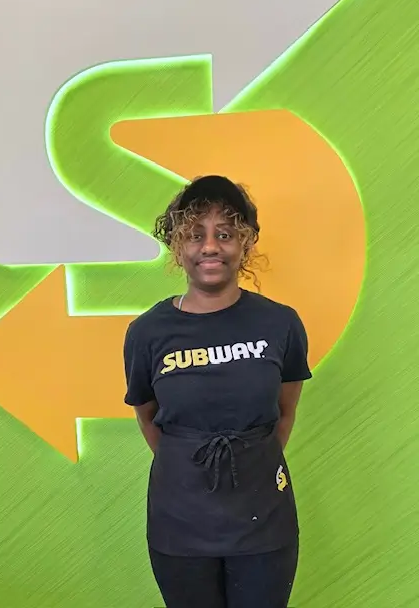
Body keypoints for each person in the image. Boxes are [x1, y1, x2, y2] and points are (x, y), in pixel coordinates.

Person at [122, 175, 312, 608]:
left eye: (224, 234)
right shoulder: (147, 332)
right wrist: (190, 466)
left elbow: (285, 412)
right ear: (178, 247)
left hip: (264, 521)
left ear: (245, 243)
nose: (210, 246)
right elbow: (148, 417)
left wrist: (249, 460)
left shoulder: (280, 324)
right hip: (179, 522)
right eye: (195, 235)